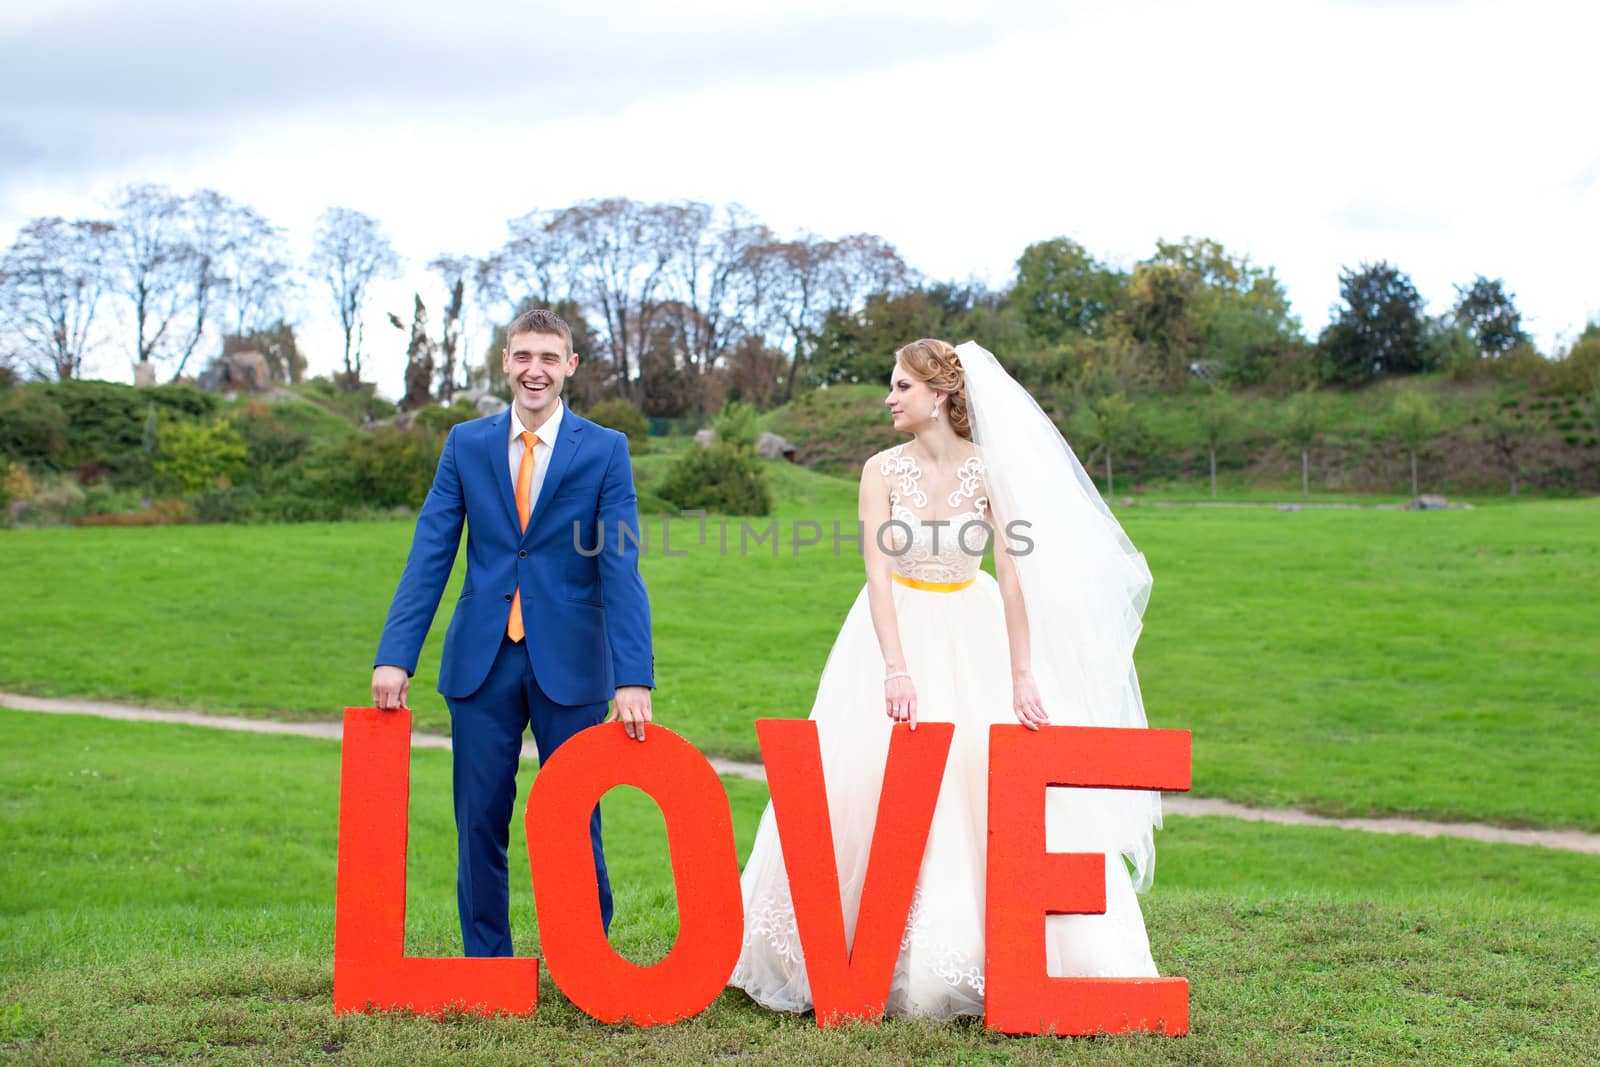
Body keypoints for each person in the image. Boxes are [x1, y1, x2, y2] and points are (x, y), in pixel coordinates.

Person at [730, 338, 1164, 1018]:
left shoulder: (991, 471)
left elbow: (1015, 578)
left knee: (975, 784)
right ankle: (854, 948)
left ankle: (971, 949)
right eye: (891, 386)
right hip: (894, 629)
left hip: (973, 625)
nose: (889, 398)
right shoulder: (879, 471)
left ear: (939, 395)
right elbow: (876, 576)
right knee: (868, 776)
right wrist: (895, 668)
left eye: (901, 386)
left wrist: (1023, 674)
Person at [371, 308, 654, 957]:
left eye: (549, 358)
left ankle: (588, 957)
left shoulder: (606, 450)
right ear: (505, 361)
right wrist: (396, 655)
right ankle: (486, 962)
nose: (536, 370)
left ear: (570, 367)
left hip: (572, 664)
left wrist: (633, 675)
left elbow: (621, 565)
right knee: (479, 820)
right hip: (482, 662)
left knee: (575, 817)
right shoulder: (466, 445)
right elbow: (430, 552)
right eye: (524, 355)